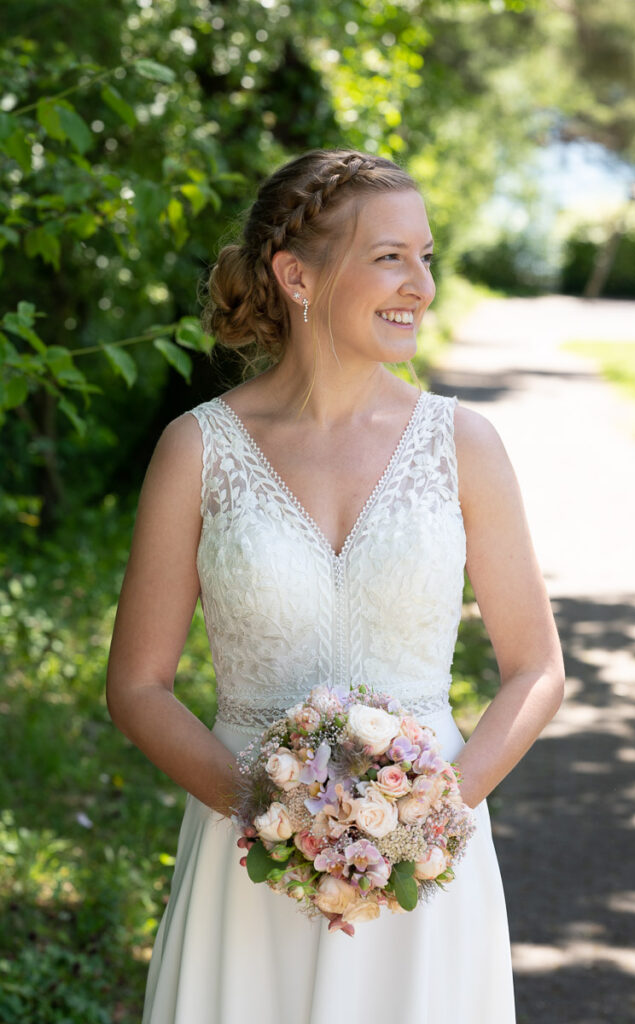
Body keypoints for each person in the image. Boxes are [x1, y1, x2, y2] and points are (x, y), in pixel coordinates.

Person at [106, 148, 564, 1023]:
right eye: (389, 256)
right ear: (296, 276)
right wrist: (272, 809)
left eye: (425, 257)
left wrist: (424, 818)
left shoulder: (463, 446)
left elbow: (535, 668)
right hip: (251, 855)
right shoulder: (196, 450)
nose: (420, 287)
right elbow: (136, 686)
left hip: (421, 867)